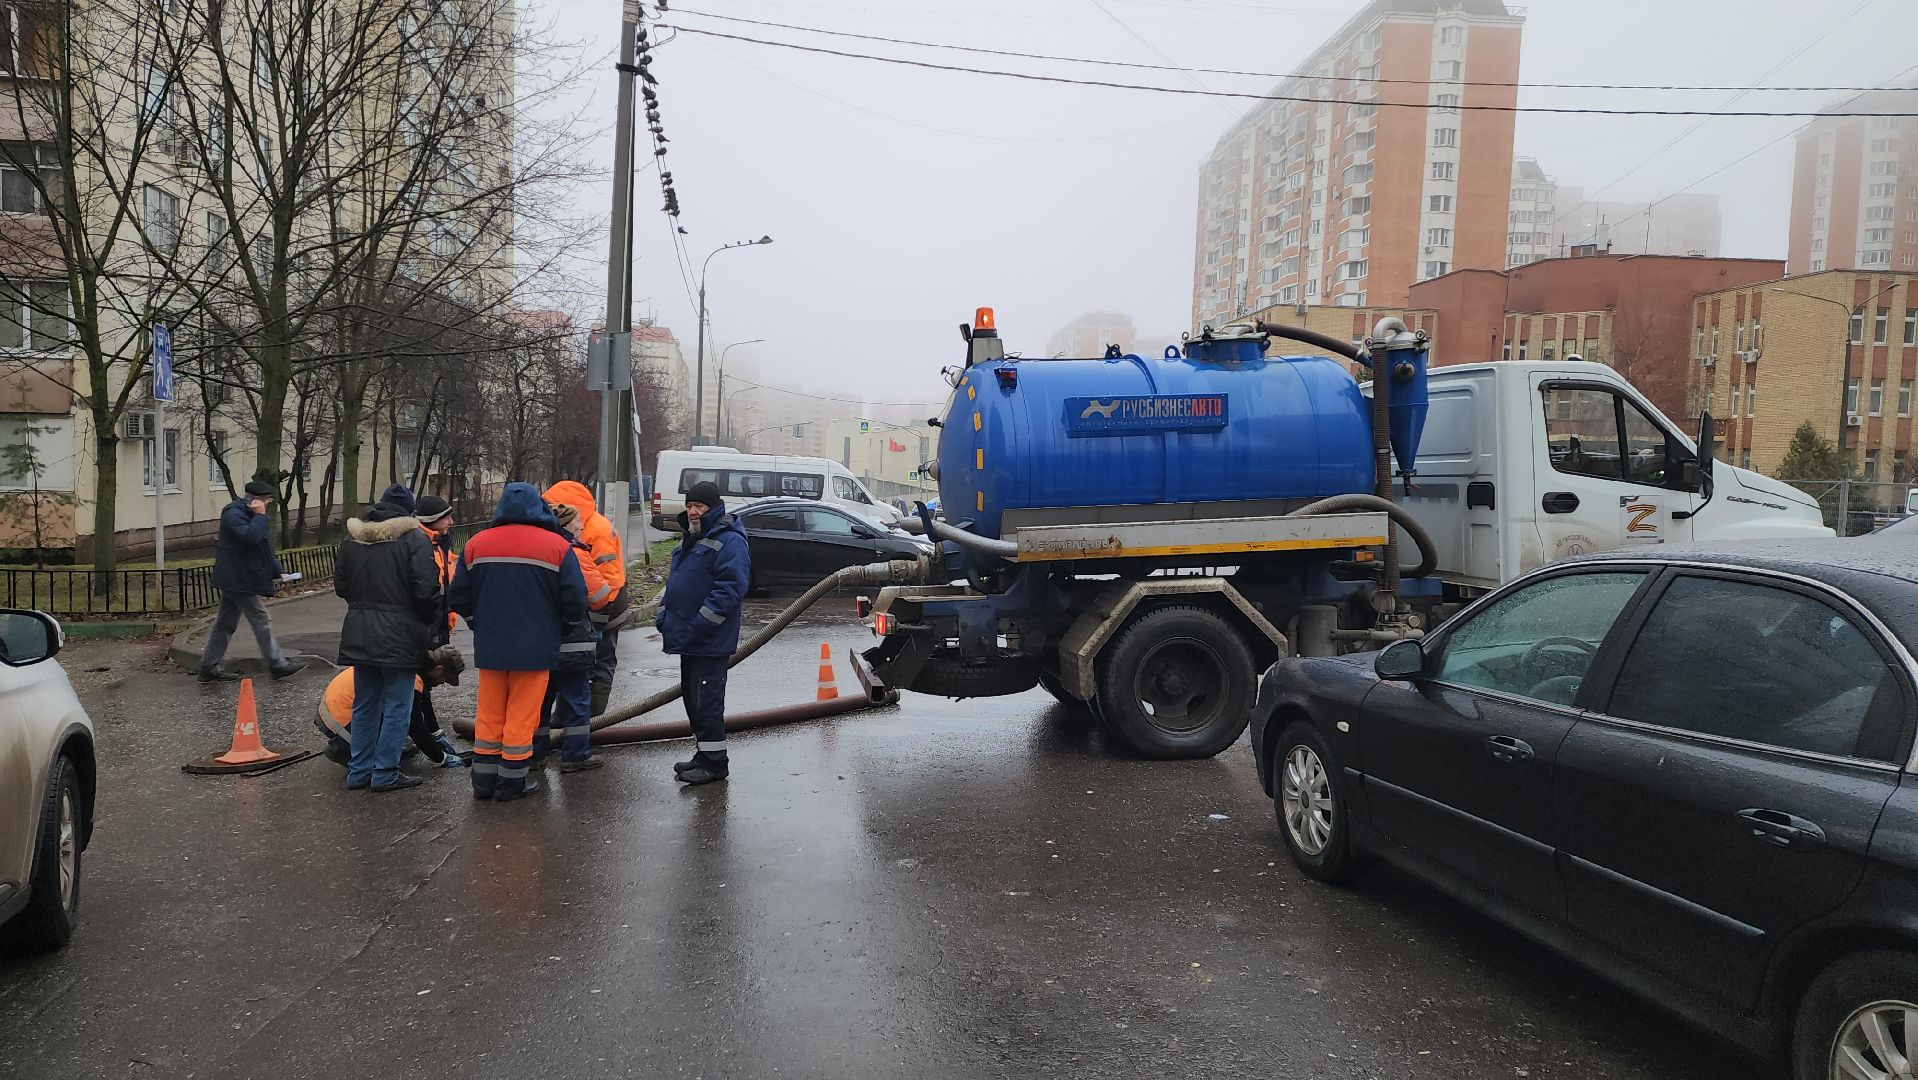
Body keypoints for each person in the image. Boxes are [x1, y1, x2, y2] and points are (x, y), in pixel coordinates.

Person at [448, 483, 588, 802]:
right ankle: (512, 782)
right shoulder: (556, 546)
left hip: (492, 645)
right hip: (537, 647)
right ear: (537, 507)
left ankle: (483, 782)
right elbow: (576, 600)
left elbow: (458, 596)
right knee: (522, 715)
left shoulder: (476, 544)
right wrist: (560, 627)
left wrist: (478, 622)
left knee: (490, 714)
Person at [335, 483, 442, 792]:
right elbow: (426, 591)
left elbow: (342, 586)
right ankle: (385, 772)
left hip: (359, 630)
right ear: (409, 512)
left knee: (365, 703)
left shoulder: (353, 540)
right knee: (398, 704)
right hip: (399, 634)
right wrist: (426, 622)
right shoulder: (414, 539)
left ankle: (359, 772)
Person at [657, 479, 750, 786]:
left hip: (709, 640)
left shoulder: (729, 539)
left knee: (707, 702)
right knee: (694, 700)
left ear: (713, 507)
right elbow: (678, 582)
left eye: (698, 506)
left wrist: (700, 623)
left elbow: (731, 587)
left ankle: (714, 764)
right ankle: (703, 754)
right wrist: (664, 616)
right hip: (691, 639)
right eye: (689, 506)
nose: (693, 511)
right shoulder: (694, 537)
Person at [199, 480, 303, 682]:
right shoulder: (233, 514)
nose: (267, 505)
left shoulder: (251, 516)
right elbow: (250, 538)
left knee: (224, 624)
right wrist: (260, 516)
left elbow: (263, 548)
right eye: (265, 501)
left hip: (238, 578)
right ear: (255, 500)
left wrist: (280, 571)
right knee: (261, 618)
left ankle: (208, 667)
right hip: (237, 578)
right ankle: (277, 664)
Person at [542, 481, 630, 719]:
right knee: (575, 663)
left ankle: (592, 719)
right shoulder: (572, 525)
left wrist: (596, 621)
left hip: (606, 607)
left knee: (600, 661)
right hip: (591, 604)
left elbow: (608, 581)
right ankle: (568, 719)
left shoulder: (596, 530)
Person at [531, 502, 605, 773]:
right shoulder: (571, 552)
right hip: (573, 641)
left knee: (540, 701)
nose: (582, 526)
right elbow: (597, 596)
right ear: (566, 524)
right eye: (577, 522)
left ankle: (534, 755)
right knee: (576, 700)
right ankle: (575, 755)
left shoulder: (538, 548)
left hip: (541, 641)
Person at [316, 645, 468, 769]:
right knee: (396, 730)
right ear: (438, 670)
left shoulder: (410, 662)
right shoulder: (410, 680)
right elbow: (415, 726)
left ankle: (350, 744)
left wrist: (436, 734)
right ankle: (342, 750)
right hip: (341, 721)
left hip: (328, 711)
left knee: (402, 742)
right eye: (444, 679)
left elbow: (424, 700)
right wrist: (441, 758)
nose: (442, 683)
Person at [415, 495, 459, 646]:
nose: (451, 522)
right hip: (426, 625)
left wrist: (449, 610)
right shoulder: (418, 545)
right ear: (432, 519)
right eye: (446, 518)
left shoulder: (442, 543)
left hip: (440, 622)